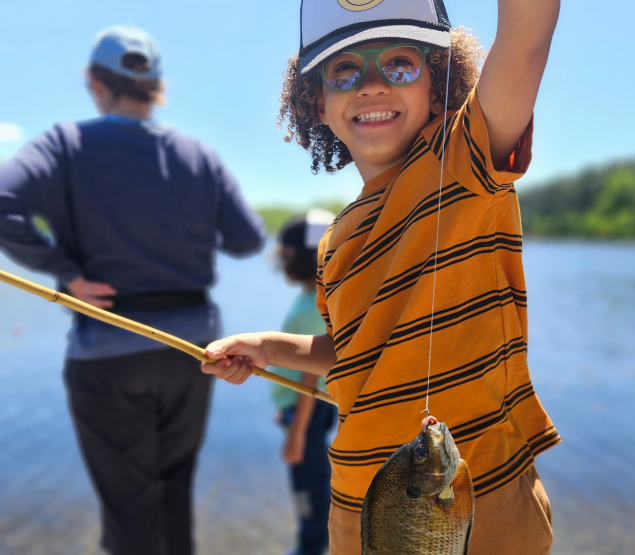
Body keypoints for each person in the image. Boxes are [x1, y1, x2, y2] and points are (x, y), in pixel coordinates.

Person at [201, 1, 560, 554]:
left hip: (475, 495)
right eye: (344, 71)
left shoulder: (469, 157)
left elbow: (527, 36)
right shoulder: (335, 241)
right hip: (358, 501)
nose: (370, 86)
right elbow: (356, 353)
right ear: (316, 103)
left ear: (438, 88)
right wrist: (268, 346)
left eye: (399, 64)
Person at [0, 25, 266, 555]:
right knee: (175, 494)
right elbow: (248, 239)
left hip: (108, 347)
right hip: (194, 350)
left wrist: (66, 272)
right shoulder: (200, 155)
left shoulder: (66, 144)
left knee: (129, 512)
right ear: (156, 87)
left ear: (97, 84)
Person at [270, 209, 337, 555]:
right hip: (306, 407)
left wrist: (296, 433)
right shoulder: (317, 294)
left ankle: (311, 545)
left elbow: (310, 372)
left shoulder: (315, 303)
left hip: (307, 408)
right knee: (315, 478)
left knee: (307, 484)